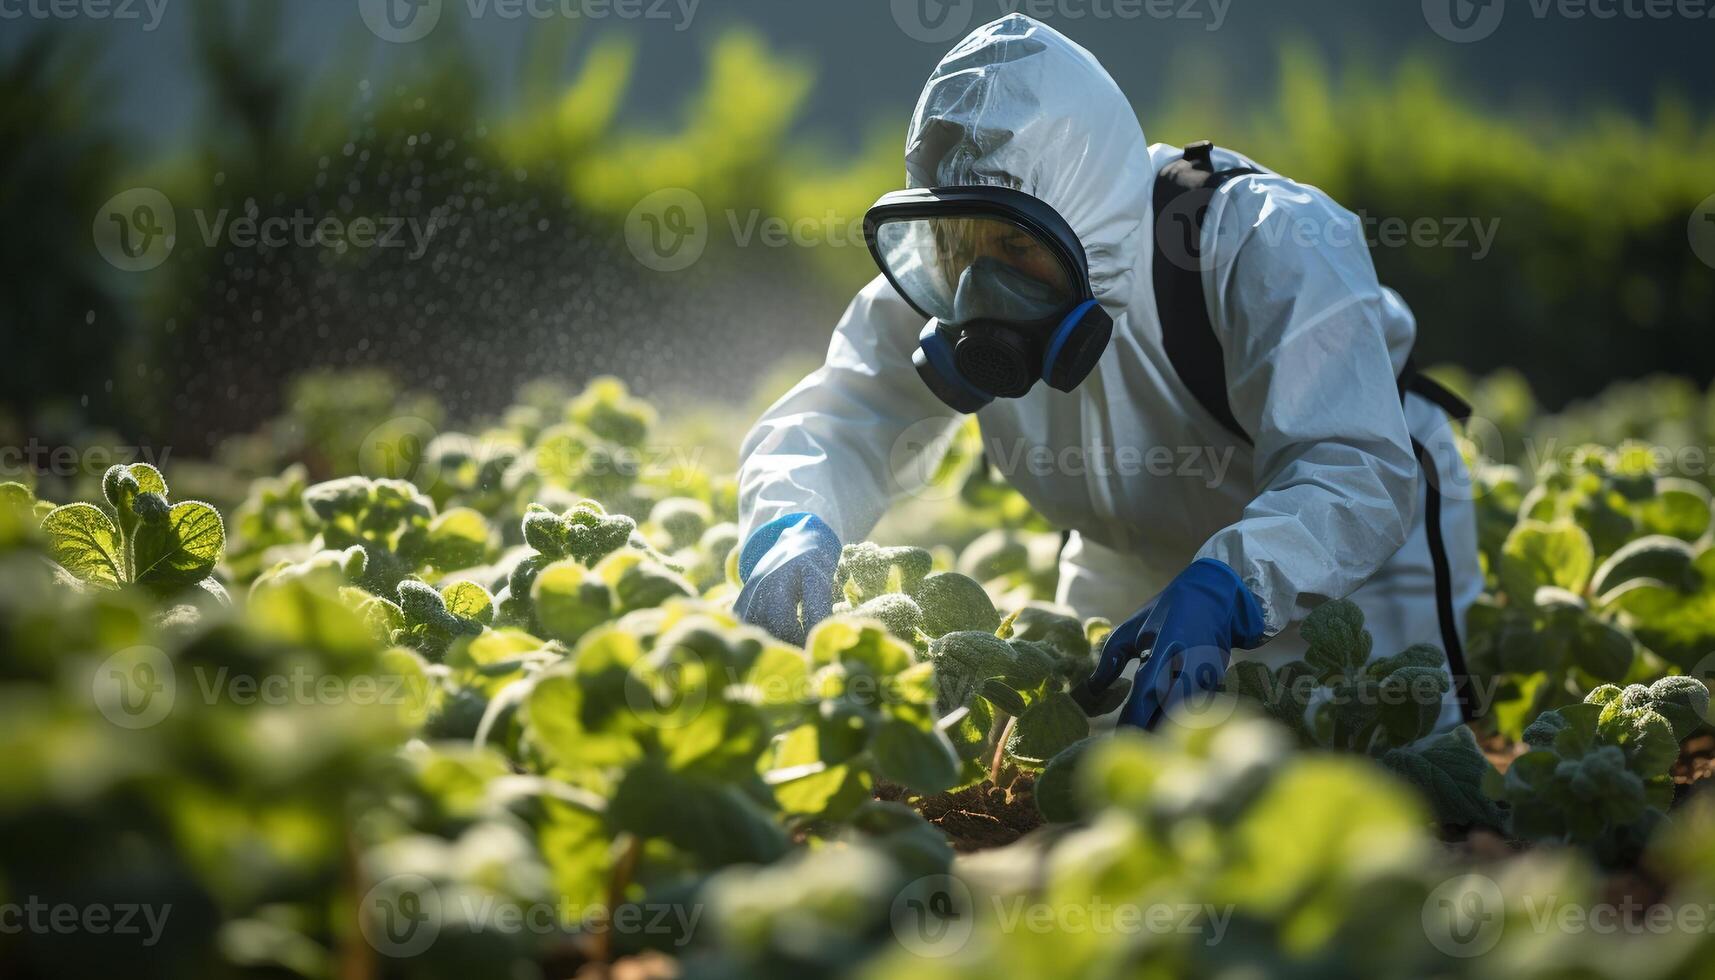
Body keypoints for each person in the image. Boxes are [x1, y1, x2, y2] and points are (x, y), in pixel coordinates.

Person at [732, 14, 1481, 733]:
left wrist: (1233, 581)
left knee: (1378, 791)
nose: (977, 290)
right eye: (961, 243)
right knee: (1112, 790)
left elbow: (1352, 467)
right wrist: (796, 524)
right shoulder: (934, 287)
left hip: (1351, 565)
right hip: (1132, 559)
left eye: (1016, 247)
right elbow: (836, 421)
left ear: (1088, 224)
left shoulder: (1261, 242)